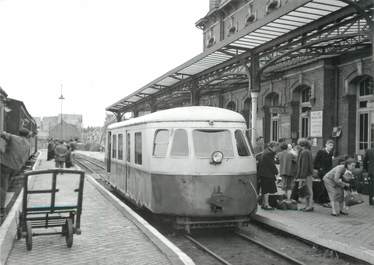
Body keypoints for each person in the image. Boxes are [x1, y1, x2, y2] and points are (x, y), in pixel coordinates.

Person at [257, 141, 279, 210]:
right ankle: (266, 204)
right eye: (276, 147)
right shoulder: (269, 153)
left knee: (264, 190)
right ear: (273, 147)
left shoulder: (265, 152)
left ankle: (264, 204)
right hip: (267, 174)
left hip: (263, 174)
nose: (277, 149)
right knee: (267, 190)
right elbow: (271, 164)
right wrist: (276, 171)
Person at [295, 138, 314, 212]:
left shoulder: (305, 152)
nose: (297, 146)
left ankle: (310, 206)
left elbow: (304, 165)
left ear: (301, 145)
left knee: (308, 190)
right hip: (307, 174)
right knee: (306, 190)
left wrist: (302, 176)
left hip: (306, 175)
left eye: (298, 144)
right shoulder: (306, 151)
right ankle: (307, 205)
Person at [314, 139, 334, 206]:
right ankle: (320, 199)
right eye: (330, 145)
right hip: (322, 171)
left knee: (326, 185)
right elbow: (316, 161)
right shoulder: (321, 152)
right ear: (326, 145)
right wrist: (319, 168)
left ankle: (323, 199)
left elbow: (330, 163)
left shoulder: (331, 153)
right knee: (323, 185)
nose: (331, 147)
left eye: (332, 145)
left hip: (328, 172)